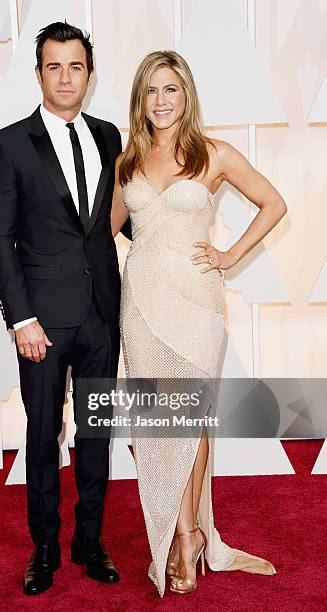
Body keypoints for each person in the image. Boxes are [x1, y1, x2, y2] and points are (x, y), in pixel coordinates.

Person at [111, 50, 286, 597]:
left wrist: (230, 256)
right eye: (151, 91)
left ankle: (190, 538)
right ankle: (186, 535)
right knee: (159, 424)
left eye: (171, 90)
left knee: (191, 419)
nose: (160, 102)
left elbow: (273, 203)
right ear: (140, 99)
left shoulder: (213, 154)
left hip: (197, 306)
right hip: (141, 306)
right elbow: (107, 227)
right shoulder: (128, 160)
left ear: (186, 95)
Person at [0, 22, 128, 595]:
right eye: (54, 66)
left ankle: (89, 541)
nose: (66, 77)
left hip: (101, 316)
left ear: (90, 75)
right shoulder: (9, 144)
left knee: (97, 432)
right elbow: (1, 240)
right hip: (41, 321)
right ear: (39, 72)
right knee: (43, 435)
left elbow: (124, 216)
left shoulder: (111, 136)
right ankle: (43, 549)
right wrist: (21, 319)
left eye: (76, 66)